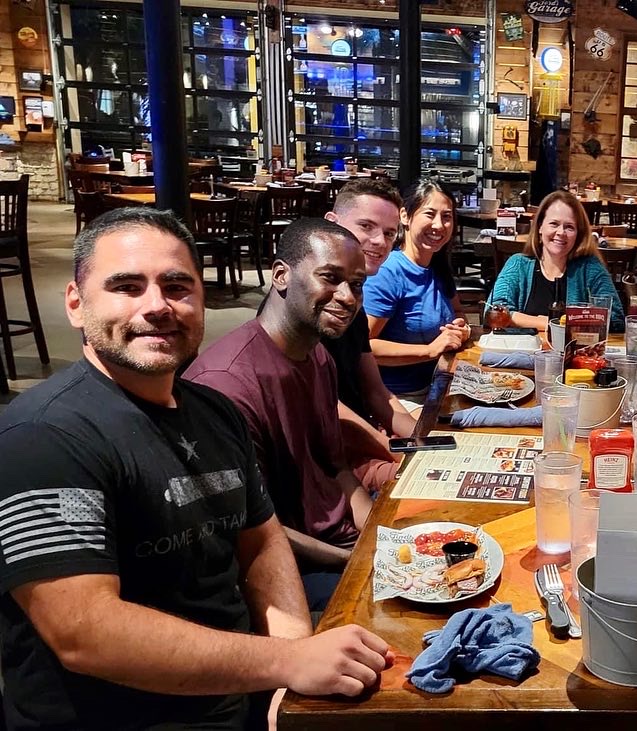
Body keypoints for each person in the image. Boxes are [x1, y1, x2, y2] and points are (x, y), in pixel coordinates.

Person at [0, 208, 393, 730]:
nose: (157, 306)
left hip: (239, 691)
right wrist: (287, 662)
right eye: (127, 287)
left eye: (177, 287)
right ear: (76, 303)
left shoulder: (213, 412)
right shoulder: (44, 435)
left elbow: (263, 544)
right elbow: (83, 632)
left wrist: (292, 672)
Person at [185, 218, 373, 611]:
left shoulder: (317, 355)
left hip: (340, 537)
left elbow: (336, 468)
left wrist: (378, 535)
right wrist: (354, 560)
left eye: (356, 285)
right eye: (330, 278)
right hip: (288, 565)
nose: (347, 297)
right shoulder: (226, 384)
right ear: (281, 275)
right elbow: (250, 528)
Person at [322, 179, 417, 487]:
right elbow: (325, 407)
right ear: (332, 223)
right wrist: (394, 449)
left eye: (389, 233)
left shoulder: (354, 302)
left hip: (364, 442)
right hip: (329, 461)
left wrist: (423, 438)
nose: (379, 241)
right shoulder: (310, 302)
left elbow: (375, 391)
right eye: (366, 226)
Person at [362, 179, 470, 398]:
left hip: (441, 384)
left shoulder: (437, 265)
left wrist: (461, 328)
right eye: (430, 214)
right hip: (397, 398)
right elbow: (363, 347)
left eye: (446, 217)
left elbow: (458, 311)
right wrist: (429, 350)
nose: (439, 225)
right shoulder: (388, 272)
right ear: (405, 216)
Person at [486, 190, 624, 331]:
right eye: (554, 224)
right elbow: (495, 311)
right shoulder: (518, 265)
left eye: (569, 227)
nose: (561, 232)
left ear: (578, 233)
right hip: (521, 345)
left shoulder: (590, 268)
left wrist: (552, 324)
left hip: (575, 346)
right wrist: (550, 323)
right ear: (540, 227)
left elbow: (615, 319)